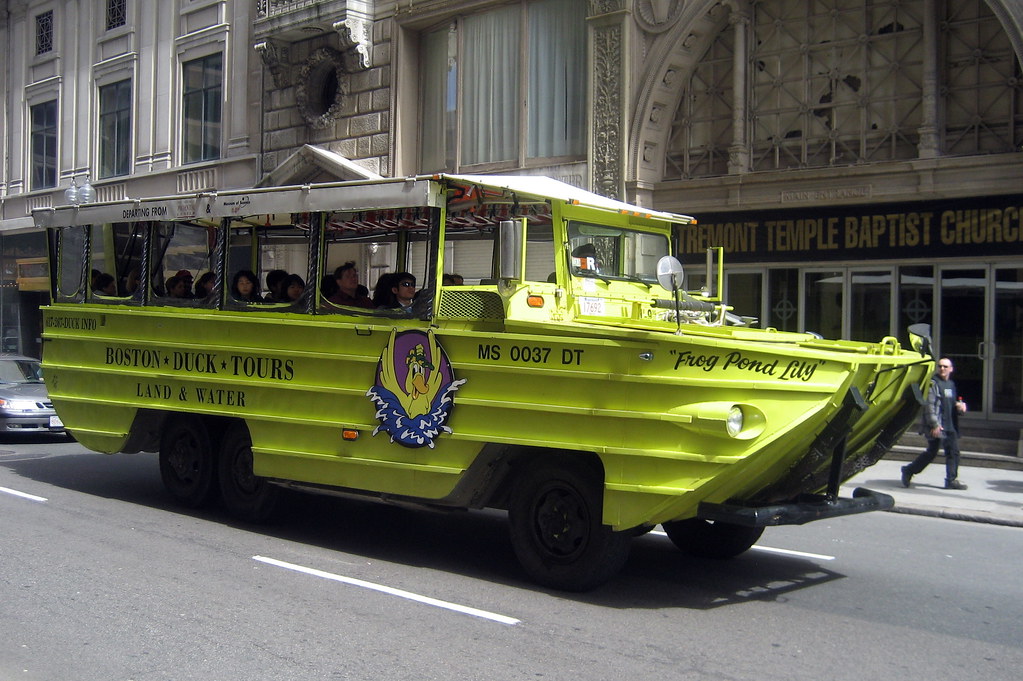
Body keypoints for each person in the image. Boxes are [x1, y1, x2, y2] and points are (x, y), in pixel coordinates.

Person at [902, 358, 969, 490]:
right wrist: (934, 424)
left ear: (951, 369)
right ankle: (908, 470)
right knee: (932, 452)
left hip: (950, 424)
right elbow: (929, 406)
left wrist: (960, 407)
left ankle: (951, 480)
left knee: (953, 452)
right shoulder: (933, 383)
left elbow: (951, 403)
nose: (942, 369)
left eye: (945, 366)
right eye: (940, 366)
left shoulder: (950, 384)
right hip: (938, 425)